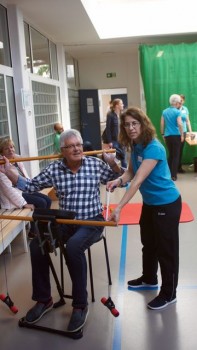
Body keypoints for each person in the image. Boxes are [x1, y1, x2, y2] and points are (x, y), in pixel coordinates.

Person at [0, 129, 123, 332]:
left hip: (91, 221)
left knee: (74, 247)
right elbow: (31, 186)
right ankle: (44, 299)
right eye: (71, 146)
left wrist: (111, 162)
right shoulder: (55, 168)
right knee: (37, 244)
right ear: (62, 150)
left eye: (79, 145)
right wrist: (12, 174)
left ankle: (79, 305)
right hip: (66, 221)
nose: (77, 149)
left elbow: (120, 179)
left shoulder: (94, 164)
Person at [106, 107, 182, 311]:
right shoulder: (136, 145)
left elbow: (138, 180)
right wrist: (118, 180)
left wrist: (119, 207)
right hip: (150, 204)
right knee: (148, 244)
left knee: (167, 251)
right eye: (127, 124)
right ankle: (149, 278)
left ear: (142, 124)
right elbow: (131, 172)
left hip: (166, 203)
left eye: (134, 123)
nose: (130, 128)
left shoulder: (154, 148)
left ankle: (169, 294)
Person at [0, 138, 52, 238]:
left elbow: (25, 177)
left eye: (12, 147)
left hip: (23, 190)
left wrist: (32, 187)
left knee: (48, 200)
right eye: (7, 149)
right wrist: (24, 204)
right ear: (1, 152)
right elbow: (8, 190)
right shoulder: (1, 166)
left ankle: (42, 227)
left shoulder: (17, 159)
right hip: (15, 195)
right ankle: (34, 232)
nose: (11, 150)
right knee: (41, 202)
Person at [160, 94, 184, 181]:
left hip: (167, 135)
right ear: (177, 103)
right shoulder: (178, 112)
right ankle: (174, 175)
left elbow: (162, 123)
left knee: (170, 155)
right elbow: (180, 123)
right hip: (176, 135)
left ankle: (168, 173)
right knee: (176, 156)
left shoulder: (164, 111)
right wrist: (182, 134)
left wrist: (162, 134)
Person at [102, 98, 127, 168]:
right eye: (121, 104)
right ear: (117, 106)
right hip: (114, 140)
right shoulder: (110, 115)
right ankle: (114, 171)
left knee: (124, 158)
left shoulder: (122, 115)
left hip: (122, 140)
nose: (123, 105)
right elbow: (108, 129)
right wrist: (110, 141)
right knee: (116, 157)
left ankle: (125, 172)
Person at [178, 94, 192, 173]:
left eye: (181, 100)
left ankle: (179, 167)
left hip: (183, 131)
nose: (180, 102)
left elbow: (187, 121)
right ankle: (173, 168)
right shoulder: (174, 109)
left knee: (180, 150)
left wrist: (190, 132)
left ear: (183, 101)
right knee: (175, 151)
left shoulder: (185, 109)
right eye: (179, 100)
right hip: (176, 132)